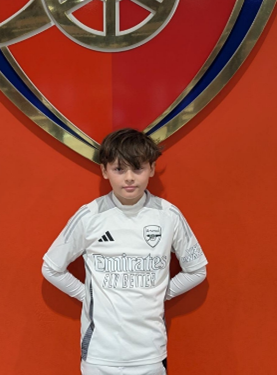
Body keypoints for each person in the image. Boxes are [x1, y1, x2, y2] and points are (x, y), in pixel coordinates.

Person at [42, 128, 208, 375]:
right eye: (119, 169)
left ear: (151, 169)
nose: (129, 178)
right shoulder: (90, 216)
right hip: (100, 355)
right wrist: (86, 296)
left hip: (150, 355)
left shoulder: (168, 215)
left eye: (138, 168)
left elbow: (197, 271)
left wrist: (160, 292)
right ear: (104, 171)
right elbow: (51, 268)